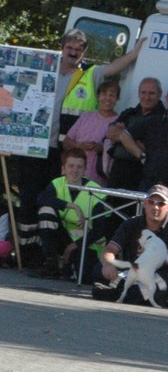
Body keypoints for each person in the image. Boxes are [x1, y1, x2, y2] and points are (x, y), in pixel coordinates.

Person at [13, 30, 144, 257]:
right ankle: (23, 251)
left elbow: (114, 68)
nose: (73, 53)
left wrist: (135, 53)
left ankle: (47, 253)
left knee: (54, 203)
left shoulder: (89, 75)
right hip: (34, 147)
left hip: (62, 154)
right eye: (69, 48)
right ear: (62, 47)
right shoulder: (45, 69)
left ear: (84, 52)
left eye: (78, 50)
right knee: (29, 199)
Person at [92, 184, 168, 307]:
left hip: (159, 274)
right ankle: (140, 296)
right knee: (98, 268)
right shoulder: (131, 224)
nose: (155, 207)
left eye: (161, 204)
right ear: (145, 204)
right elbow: (109, 250)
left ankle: (117, 293)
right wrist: (108, 265)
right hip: (132, 270)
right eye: (151, 202)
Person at [34, 148, 107, 281]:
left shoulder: (95, 190)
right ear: (63, 168)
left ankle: (67, 266)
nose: (75, 170)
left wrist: (73, 246)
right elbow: (41, 199)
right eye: (71, 166)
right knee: (46, 211)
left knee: (83, 277)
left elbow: (99, 230)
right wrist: (72, 206)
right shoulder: (57, 184)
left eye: (79, 167)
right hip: (62, 236)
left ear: (85, 170)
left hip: (86, 241)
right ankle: (52, 263)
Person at [105, 77, 166, 192]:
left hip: (143, 177)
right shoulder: (129, 113)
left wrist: (123, 135)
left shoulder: (164, 119)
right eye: (143, 92)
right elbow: (111, 133)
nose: (147, 97)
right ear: (138, 93)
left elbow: (152, 148)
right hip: (117, 174)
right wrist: (135, 142)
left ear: (160, 94)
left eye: (151, 93)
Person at [61, 79, 120, 185]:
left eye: (112, 95)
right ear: (98, 97)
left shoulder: (119, 121)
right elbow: (66, 142)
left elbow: (120, 150)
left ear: (117, 99)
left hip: (100, 180)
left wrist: (103, 148)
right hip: (74, 176)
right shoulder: (86, 116)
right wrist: (79, 146)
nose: (107, 98)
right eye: (104, 94)